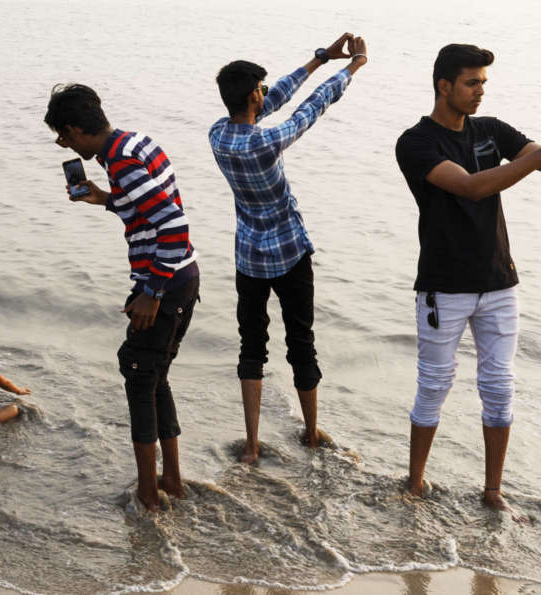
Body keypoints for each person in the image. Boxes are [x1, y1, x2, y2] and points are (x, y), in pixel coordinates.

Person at [208, 34, 368, 464]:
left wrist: (319, 58)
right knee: (302, 342)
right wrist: (352, 66)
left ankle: (253, 445)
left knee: (251, 346)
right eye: (260, 89)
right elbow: (311, 107)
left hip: (248, 257)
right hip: (291, 254)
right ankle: (312, 433)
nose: (266, 93)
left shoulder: (218, 136)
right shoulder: (264, 142)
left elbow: (275, 98)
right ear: (252, 95)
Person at [395, 44, 541, 513]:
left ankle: (493, 490)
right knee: (434, 384)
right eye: (471, 83)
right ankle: (415, 483)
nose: (480, 91)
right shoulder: (416, 143)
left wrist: (534, 155)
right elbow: (471, 188)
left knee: (499, 386)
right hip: (443, 286)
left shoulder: (490, 130)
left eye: (483, 83)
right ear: (444, 86)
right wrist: (532, 161)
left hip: (500, 281)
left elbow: (532, 148)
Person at [47, 83, 200, 512]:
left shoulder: (120, 159)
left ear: (77, 129)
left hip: (165, 281)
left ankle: (149, 495)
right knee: (155, 376)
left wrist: (151, 292)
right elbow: (150, 205)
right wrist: (106, 200)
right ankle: (171, 480)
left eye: (63, 135)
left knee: (137, 373)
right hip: (183, 276)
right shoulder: (136, 142)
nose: (63, 143)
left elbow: (173, 225)